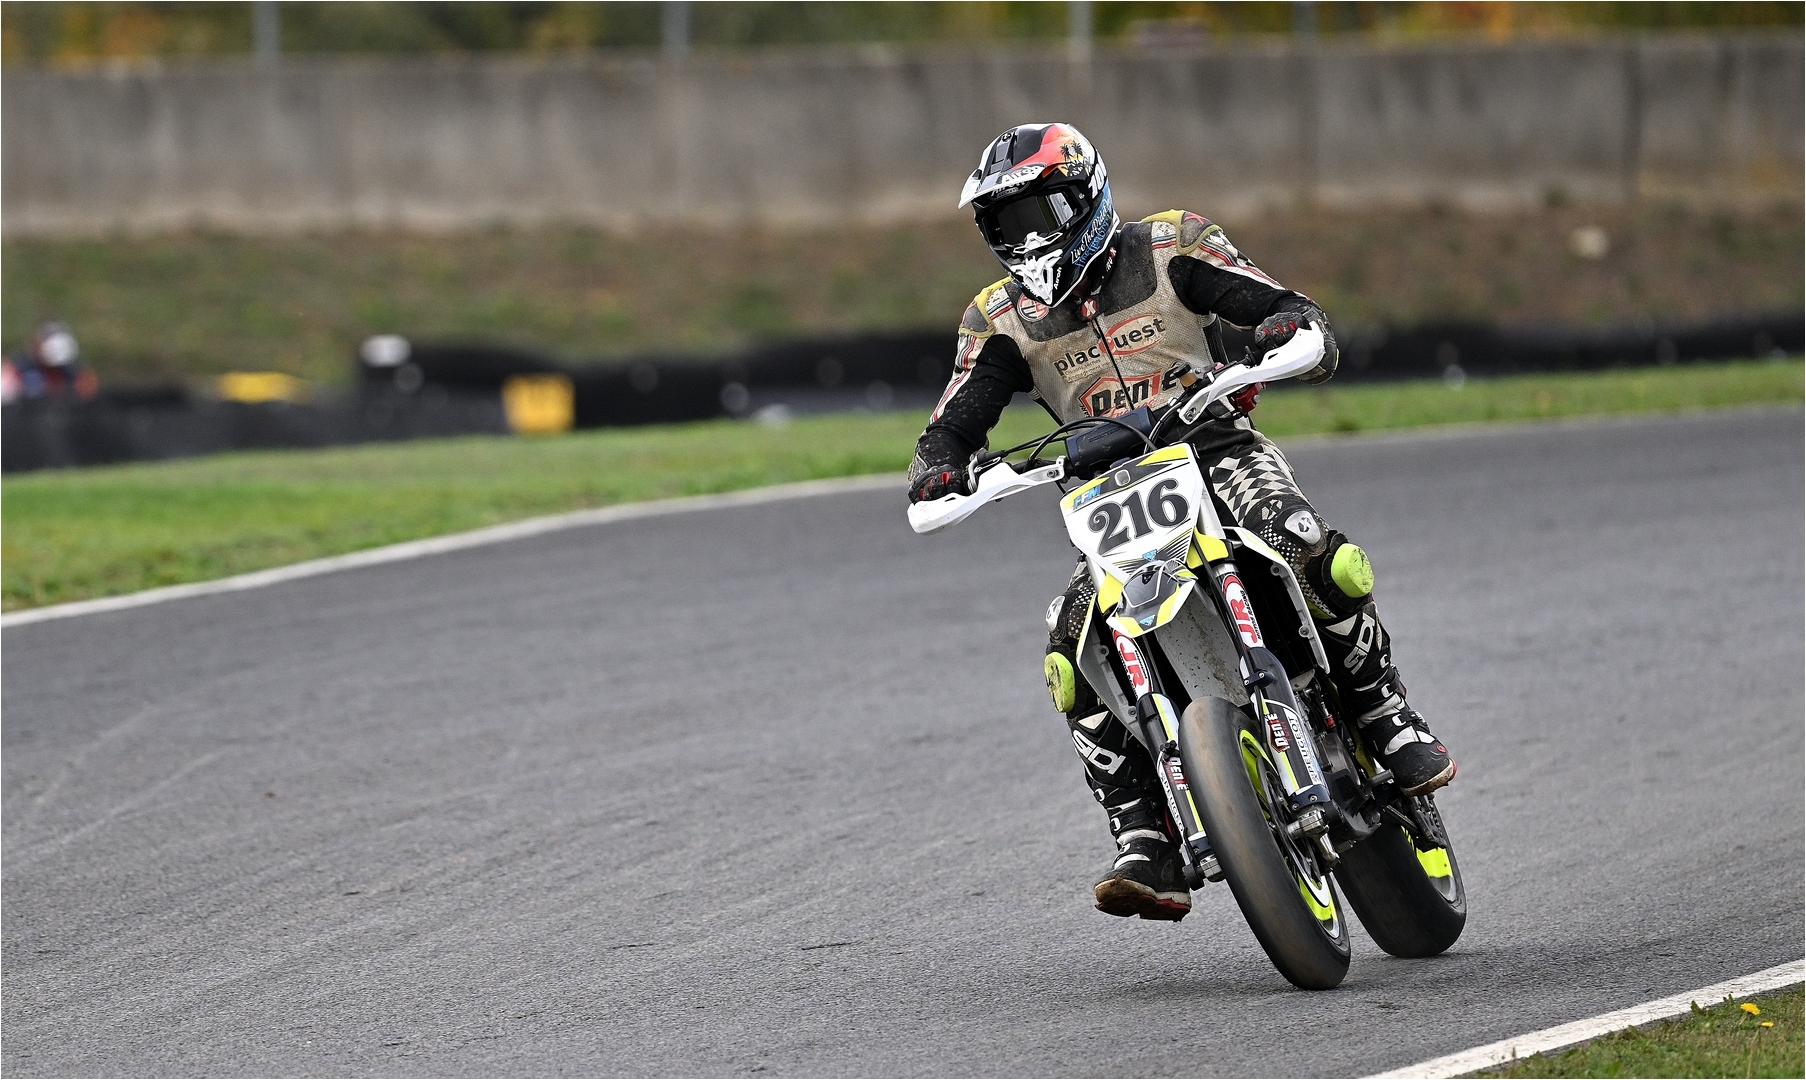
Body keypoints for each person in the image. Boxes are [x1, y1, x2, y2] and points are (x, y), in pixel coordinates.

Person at [907, 124, 1454, 923]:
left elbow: (1279, 305)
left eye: (1038, 214)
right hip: (1109, 495)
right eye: (1004, 224)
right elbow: (955, 420)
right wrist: (940, 467)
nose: (1025, 239)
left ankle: (1385, 712)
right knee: (1068, 645)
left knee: (1305, 543)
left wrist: (1282, 329)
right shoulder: (997, 317)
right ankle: (1145, 834)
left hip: (1217, 450)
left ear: (1085, 195)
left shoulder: (1171, 244)